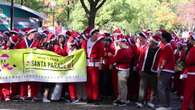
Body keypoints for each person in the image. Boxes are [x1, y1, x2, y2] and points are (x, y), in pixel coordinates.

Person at [136, 35, 161, 108]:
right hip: (144, 71)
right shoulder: (146, 48)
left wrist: (159, 71)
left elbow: (160, 61)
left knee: (153, 88)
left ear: (154, 43)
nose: (149, 42)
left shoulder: (159, 50)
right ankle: (140, 101)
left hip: (154, 72)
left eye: (151, 41)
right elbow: (141, 59)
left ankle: (151, 101)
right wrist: (140, 69)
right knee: (142, 87)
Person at [16, 29, 41, 101]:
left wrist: (37, 49)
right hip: (23, 62)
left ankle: (34, 95)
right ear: (30, 34)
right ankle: (23, 95)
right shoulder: (22, 42)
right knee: (24, 79)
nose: (35, 35)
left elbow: (40, 50)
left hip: (33, 63)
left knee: (33, 79)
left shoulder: (36, 42)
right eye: (34, 34)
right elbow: (16, 50)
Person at [81, 29, 104, 104]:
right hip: (87, 64)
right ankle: (89, 97)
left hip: (95, 65)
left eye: (98, 34)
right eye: (96, 34)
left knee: (95, 82)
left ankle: (95, 98)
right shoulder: (85, 42)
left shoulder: (99, 43)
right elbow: (82, 53)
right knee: (88, 82)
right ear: (92, 34)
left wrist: (100, 64)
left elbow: (101, 55)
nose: (97, 35)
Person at [156, 31, 175, 110]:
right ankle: (167, 105)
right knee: (166, 88)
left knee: (161, 87)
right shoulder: (168, 47)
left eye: (162, 37)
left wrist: (159, 70)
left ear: (165, 38)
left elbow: (164, 60)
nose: (161, 39)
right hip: (168, 70)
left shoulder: (167, 47)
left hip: (165, 70)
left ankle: (163, 105)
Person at [111, 39, 133, 106]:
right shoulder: (129, 50)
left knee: (122, 86)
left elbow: (115, 59)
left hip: (122, 69)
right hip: (127, 69)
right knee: (122, 85)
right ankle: (120, 98)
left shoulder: (121, 51)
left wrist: (111, 56)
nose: (118, 45)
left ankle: (123, 100)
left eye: (119, 43)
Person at [181, 33, 195, 110]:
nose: (189, 41)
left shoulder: (193, 49)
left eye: (191, 39)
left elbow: (188, 61)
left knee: (188, 94)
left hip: (192, 74)